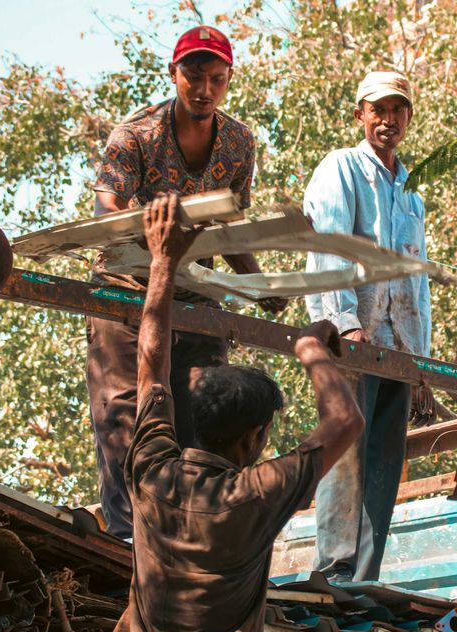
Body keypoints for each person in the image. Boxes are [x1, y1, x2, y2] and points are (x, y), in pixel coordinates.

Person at [96, 194, 364, 632]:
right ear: (253, 438)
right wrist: (310, 349)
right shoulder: (253, 497)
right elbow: (346, 420)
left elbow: (150, 366)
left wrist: (163, 262)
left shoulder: (152, 470)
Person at [87, 24, 286, 539]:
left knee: (202, 417)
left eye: (216, 79)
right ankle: (129, 540)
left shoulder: (239, 142)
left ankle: (195, 536)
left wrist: (258, 286)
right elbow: (106, 206)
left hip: (196, 298)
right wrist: (146, 225)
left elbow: (230, 225)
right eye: (194, 76)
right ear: (172, 74)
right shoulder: (135, 135)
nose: (204, 89)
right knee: (126, 418)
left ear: (229, 80)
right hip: (127, 294)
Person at [302, 70, 434, 583]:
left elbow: (415, 285)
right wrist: (344, 324)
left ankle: (365, 578)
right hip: (353, 340)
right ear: (360, 114)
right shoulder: (341, 168)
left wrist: (420, 365)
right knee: (346, 456)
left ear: (408, 117)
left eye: (397, 109)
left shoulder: (411, 193)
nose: (387, 119)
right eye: (377, 109)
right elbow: (328, 248)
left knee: (383, 465)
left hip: (398, 352)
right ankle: (333, 571)